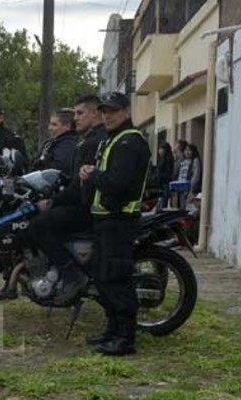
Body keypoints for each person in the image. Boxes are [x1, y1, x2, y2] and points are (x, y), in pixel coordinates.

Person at [81, 91, 150, 356]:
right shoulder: (113, 140)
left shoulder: (129, 142)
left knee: (117, 279)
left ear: (126, 112)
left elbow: (119, 185)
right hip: (105, 220)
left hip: (119, 221)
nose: (106, 115)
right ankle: (112, 331)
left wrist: (94, 175)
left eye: (112, 110)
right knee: (103, 277)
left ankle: (125, 338)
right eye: (104, 111)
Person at [24, 95, 107, 302]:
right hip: (85, 202)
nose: (75, 119)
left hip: (86, 206)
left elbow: (79, 186)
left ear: (95, 113)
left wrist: (53, 201)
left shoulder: (91, 141)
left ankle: (71, 273)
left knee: (37, 226)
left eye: (80, 113)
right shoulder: (89, 138)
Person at [36, 109, 79, 175]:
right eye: (50, 124)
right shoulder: (50, 143)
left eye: (54, 125)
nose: (49, 128)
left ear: (67, 126)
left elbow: (56, 171)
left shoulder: (69, 146)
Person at [153, 141, 175, 209]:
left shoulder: (168, 160)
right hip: (161, 183)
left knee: (163, 204)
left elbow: (168, 173)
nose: (159, 150)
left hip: (165, 183)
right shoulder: (161, 159)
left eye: (161, 148)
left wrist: (159, 176)